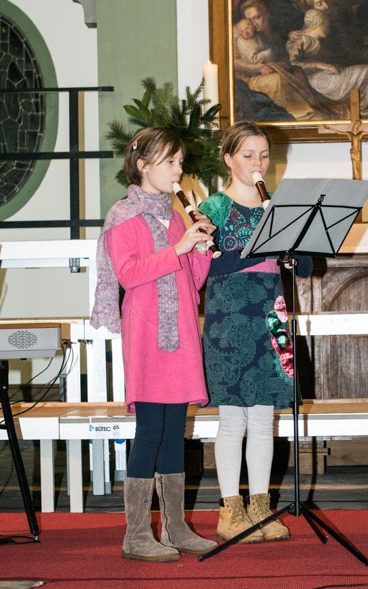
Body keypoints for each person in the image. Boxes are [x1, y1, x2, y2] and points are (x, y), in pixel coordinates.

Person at [90, 127, 218, 562]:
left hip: (180, 331)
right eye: (170, 162)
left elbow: (192, 281)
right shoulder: (124, 215)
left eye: (180, 162)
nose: (179, 170)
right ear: (143, 165)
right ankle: (137, 533)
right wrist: (179, 246)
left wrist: (201, 248)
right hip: (146, 332)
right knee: (149, 431)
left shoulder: (178, 216)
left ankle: (176, 527)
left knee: (174, 431)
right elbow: (129, 273)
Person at [199, 121, 312, 544]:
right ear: (229, 159)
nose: (258, 163)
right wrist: (261, 244)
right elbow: (209, 266)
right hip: (229, 320)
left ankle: (261, 509)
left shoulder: (277, 206)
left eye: (264, 155)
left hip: (269, 316)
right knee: (232, 421)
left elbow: (305, 266)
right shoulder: (213, 207)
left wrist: (288, 246)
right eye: (248, 155)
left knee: (265, 420)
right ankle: (230, 512)